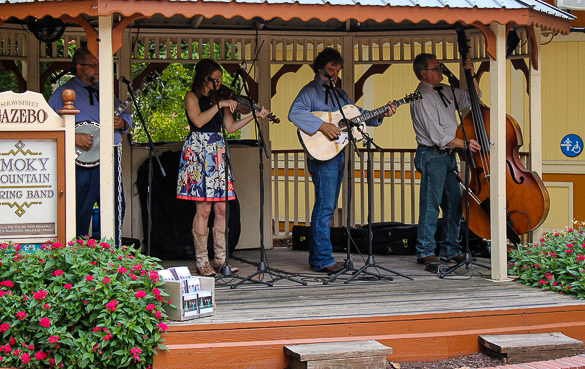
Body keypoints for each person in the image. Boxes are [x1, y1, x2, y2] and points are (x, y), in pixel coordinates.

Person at [288, 48, 396, 274]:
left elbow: (357, 115)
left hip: (338, 154)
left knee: (328, 206)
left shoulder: (340, 95)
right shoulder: (309, 91)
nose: (334, 74)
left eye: (337, 70)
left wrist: (381, 113)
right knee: (325, 207)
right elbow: (294, 113)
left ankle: (320, 257)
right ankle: (322, 260)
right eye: (330, 70)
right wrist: (322, 125)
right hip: (321, 156)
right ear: (319, 69)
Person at [176, 59, 271, 276]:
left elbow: (229, 127)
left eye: (220, 79)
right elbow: (198, 121)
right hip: (198, 152)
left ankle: (220, 259)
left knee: (221, 208)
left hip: (217, 153)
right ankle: (202, 261)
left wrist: (253, 115)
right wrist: (220, 105)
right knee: (204, 209)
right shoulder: (192, 97)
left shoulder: (222, 98)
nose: (219, 82)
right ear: (205, 78)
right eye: (215, 79)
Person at [48, 47, 132, 244]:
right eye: (93, 65)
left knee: (116, 206)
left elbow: (124, 115)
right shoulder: (62, 93)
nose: (98, 69)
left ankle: (111, 251)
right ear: (79, 68)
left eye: (99, 65)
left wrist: (122, 123)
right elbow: (48, 127)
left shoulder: (103, 91)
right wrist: (73, 138)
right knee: (81, 209)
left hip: (109, 159)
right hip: (81, 164)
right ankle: (78, 255)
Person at [409, 53, 481, 266]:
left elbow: (473, 98)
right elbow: (436, 135)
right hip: (432, 155)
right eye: (436, 68)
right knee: (431, 205)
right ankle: (425, 251)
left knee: (454, 202)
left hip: (447, 155)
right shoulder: (421, 96)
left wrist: (471, 74)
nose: (441, 71)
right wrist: (463, 143)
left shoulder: (446, 90)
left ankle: (450, 249)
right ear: (424, 73)